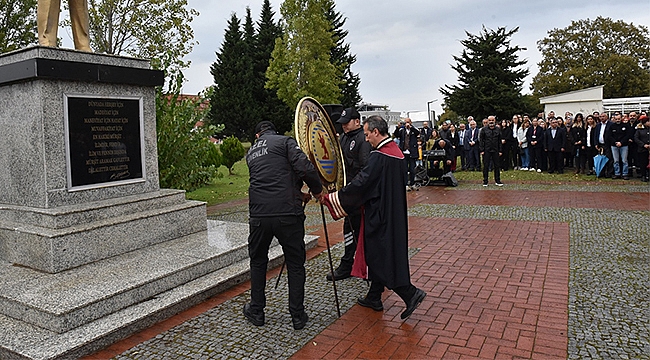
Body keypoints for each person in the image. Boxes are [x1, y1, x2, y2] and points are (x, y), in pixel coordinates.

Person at [321, 115, 427, 320]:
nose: (367, 138)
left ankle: (410, 293)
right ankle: (374, 296)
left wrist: (334, 197)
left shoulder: (380, 156)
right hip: (392, 212)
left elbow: (362, 183)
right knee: (381, 254)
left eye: (368, 134)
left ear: (376, 132)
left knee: (379, 257)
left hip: (379, 216)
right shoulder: (396, 153)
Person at [244, 121, 323, 330]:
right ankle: (297, 316)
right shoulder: (284, 142)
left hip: (259, 214)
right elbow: (303, 168)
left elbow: (270, 180)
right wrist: (316, 190)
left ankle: (257, 311)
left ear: (257, 135)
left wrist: (298, 194)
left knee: (258, 261)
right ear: (273, 132)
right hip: (288, 214)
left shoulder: (251, 152)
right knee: (295, 264)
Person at [326, 108, 371, 282]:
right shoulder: (344, 138)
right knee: (349, 229)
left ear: (357, 121)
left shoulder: (363, 139)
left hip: (358, 195)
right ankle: (348, 263)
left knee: (362, 230)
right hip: (346, 193)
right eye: (342, 123)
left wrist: (353, 191)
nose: (344, 125)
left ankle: (366, 266)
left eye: (347, 122)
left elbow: (364, 169)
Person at [606, 113, 632, 180]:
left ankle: (625, 173)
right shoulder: (611, 126)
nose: (617, 120)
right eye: (616, 119)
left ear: (621, 118)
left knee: (624, 160)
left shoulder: (626, 126)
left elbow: (628, 135)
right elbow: (609, 136)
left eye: (619, 119)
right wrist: (615, 142)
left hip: (624, 145)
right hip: (614, 145)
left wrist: (621, 142)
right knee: (616, 160)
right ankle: (617, 173)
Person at [396, 118, 420, 190]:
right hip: (404, 152)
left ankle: (412, 183)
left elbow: (417, 133)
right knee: (405, 169)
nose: (407, 124)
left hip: (412, 152)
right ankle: (406, 184)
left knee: (412, 169)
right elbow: (396, 134)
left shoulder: (413, 130)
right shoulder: (402, 131)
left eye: (408, 122)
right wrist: (398, 127)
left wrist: (411, 127)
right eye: (405, 122)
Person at [479, 116, 503, 186]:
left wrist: (500, 150)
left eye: (492, 120)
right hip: (486, 150)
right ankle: (485, 181)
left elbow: (500, 141)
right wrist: (482, 150)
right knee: (486, 166)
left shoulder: (498, 129)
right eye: (490, 120)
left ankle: (497, 180)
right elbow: (481, 140)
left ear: (495, 121)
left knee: (497, 166)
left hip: (496, 150)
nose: (491, 122)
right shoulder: (483, 130)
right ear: (488, 121)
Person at [595, 113, 613, 178]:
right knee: (601, 159)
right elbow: (596, 135)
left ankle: (609, 173)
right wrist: (596, 144)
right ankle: (601, 172)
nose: (602, 118)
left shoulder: (611, 124)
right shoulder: (598, 125)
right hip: (600, 145)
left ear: (607, 117)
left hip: (608, 144)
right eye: (600, 117)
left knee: (609, 159)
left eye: (603, 116)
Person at [633, 115, 650, 182]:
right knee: (643, 163)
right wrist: (643, 145)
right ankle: (643, 175)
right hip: (642, 149)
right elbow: (636, 138)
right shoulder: (639, 130)